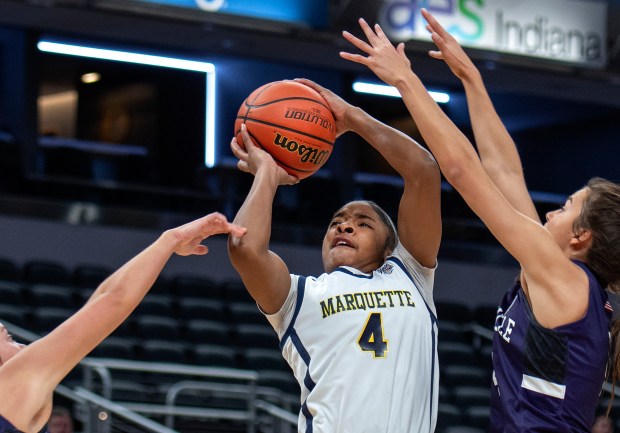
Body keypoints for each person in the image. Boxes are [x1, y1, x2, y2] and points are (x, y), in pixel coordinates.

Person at [339, 8, 620, 433]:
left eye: (564, 207)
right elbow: (503, 172)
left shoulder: (566, 282)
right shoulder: (555, 277)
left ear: (581, 237)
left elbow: (463, 172)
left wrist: (405, 81)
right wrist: (471, 78)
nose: (549, 212)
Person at [227, 78, 442, 432]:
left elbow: (423, 170)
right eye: (336, 222)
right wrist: (266, 172)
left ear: (390, 247)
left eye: (362, 223)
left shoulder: (411, 274)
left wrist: (353, 117)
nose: (344, 227)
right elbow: (245, 248)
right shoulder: (300, 297)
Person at [0, 213, 246, 433]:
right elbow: (113, 302)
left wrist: (168, 243)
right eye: (6, 338)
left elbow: (102, 298)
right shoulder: (9, 387)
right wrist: (171, 239)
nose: (12, 335)